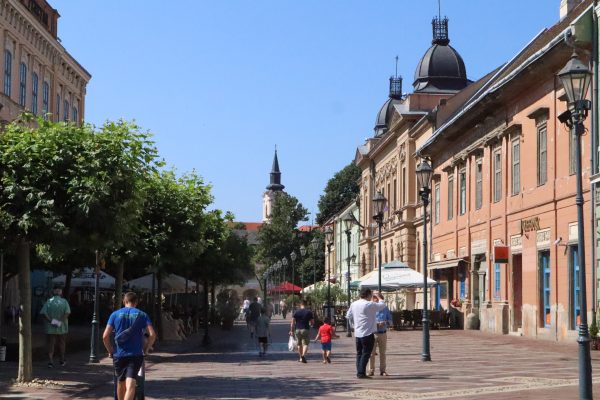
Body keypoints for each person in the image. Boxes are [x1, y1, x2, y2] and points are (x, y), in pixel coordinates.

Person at [103, 292, 156, 400]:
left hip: (119, 354)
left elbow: (105, 336)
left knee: (120, 382)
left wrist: (110, 351)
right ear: (136, 302)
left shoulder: (115, 314)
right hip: (135, 354)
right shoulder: (142, 315)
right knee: (131, 383)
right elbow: (152, 335)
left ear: (124, 301)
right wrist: (146, 350)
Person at [346, 287, 386, 379]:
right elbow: (382, 305)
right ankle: (361, 373)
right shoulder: (368, 304)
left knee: (359, 353)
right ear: (368, 295)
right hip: (367, 333)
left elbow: (348, 316)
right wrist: (378, 296)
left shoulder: (354, 304)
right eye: (371, 295)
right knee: (366, 353)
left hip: (358, 333)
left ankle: (359, 372)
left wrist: (353, 325)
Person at [40, 288, 71, 368]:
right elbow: (67, 313)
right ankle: (62, 360)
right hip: (62, 327)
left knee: (51, 344)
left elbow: (43, 313)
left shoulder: (49, 301)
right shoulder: (64, 301)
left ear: (53, 292)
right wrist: (60, 321)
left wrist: (51, 321)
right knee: (61, 343)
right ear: (61, 292)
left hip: (50, 327)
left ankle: (50, 361)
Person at [368, 292, 393, 376]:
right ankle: (371, 370)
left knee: (383, 353)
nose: (375, 299)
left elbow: (390, 320)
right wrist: (376, 324)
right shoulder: (370, 308)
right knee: (371, 353)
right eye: (373, 297)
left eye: (376, 297)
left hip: (383, 333)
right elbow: (367, 321)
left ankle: (383, 370)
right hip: (373, 333)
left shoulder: (385, 308)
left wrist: (385, 322)